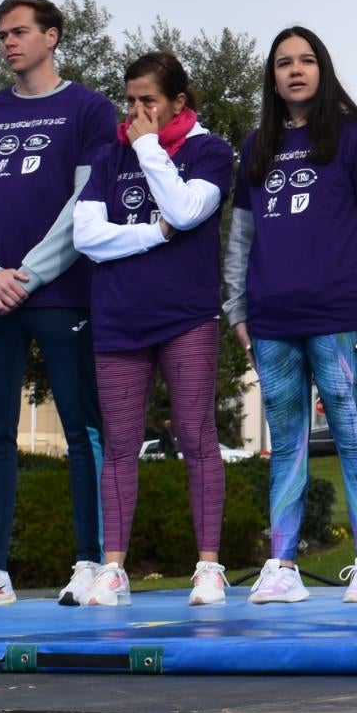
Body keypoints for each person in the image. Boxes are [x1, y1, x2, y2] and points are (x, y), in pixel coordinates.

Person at [0, 0, 120, 609]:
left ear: (52, 37)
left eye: (20, 32)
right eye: (2, 34)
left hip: (62, 292)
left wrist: (30, 275)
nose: (9, 42)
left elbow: (86, 204)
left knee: (82, 429)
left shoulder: (89, 109)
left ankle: (92, 563)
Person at [226, 26, 357, 607]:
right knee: (288, 443)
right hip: (272, 321)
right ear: (272, 78)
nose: (295, 70)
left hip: (340, 316)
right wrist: (236, 308)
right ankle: (281, 564)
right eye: (283, 63)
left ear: (322, 70)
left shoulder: (354, 141)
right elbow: (241, 239)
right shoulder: (255, 147)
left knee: (352, 434)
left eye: (306, 60)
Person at [73, 50, 236, 608]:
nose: (136, 111)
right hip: (119, 319)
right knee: (119, 448)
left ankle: (209, 568)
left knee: (196, 438)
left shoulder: (210, 151)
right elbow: (86, 236)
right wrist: (153, 233)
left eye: (149, 101)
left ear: (178, 103)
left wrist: (148, 148)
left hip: (187, 317)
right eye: (131, 100)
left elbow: (188, 209)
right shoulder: (105, 157)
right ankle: (113, 568)